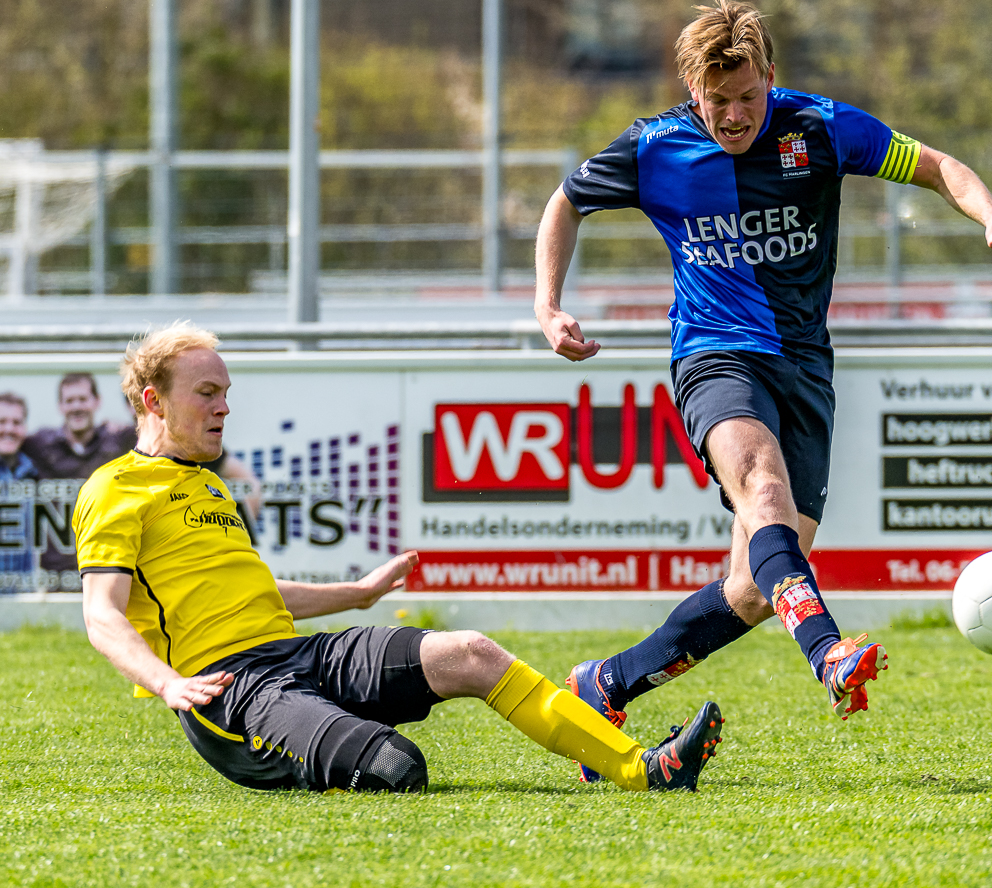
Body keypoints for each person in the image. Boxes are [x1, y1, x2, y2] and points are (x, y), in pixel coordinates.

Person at [533, 0, 992, 778]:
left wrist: (991, 214)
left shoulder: (822, 128)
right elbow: (564, 204)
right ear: (691, 89)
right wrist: (547, 304)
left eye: (746, 97)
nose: (732, 116)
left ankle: (604, 685)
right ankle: (829, 653)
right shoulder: (654, 146)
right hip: (714, 356)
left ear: (772, 75)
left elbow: (934, 165)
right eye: (716, 100)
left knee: (756, 586)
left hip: (805, 368)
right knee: (760, 487)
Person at [76, 323, 725, 794]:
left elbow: (252, 595)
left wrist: (356, 595)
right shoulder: (115, 488)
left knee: (469, 652)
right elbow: (103, 616)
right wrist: (167, 683)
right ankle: (327, 738)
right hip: (230, 697)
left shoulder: (210, 482)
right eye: (207, 392)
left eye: (226, 391)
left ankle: (643, 768)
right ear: (153, 400)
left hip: (294, 657)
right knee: (397, 767)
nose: (223, 406)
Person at [24, 371, 138, 575]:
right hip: (57, 574)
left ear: (97, 401)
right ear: (60, 406)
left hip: (106, 568)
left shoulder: (118, 441)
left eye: (83, 399)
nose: (76, 407)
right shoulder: (40, 445)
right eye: (69, 400)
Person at [0, 392, 38, 583]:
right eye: (2, 421)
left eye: (16, 422)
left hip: (23, 595)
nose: (9, 429)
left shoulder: (32, 471)